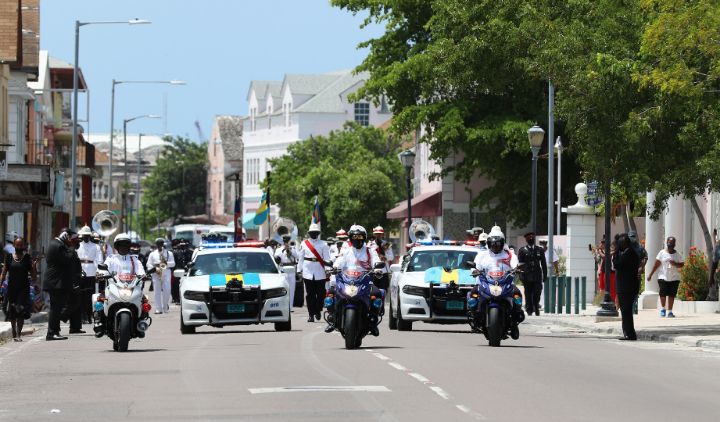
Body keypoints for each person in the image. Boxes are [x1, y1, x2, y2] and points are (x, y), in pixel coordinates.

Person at [328, 225, 383, 335]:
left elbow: (376, 261)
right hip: (347, 281)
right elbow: (339, 261)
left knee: (377, 293)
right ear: (351, 238)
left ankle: (372, 321)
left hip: (365, 281)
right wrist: (334, 267)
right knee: (331, 291)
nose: (357, 240)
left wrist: (377, 269)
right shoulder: (346, 251)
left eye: (359, 238)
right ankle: (332, 318)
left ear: (364, 238)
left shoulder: (370, 251)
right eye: (354, 238)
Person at [472, 226, 523, 339]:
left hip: (505, 282)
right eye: (493, 243)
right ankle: (475, 318)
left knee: (517, 294)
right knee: (473, 295)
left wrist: (516, 268)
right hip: (486, 282)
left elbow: (515, 263)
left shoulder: (508, 254)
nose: (495, 246)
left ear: (502, 243)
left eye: (498, 243)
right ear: (489, 243)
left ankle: (514, 322)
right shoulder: (482, 255)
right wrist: (475, 270)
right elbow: (476, 266)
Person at [42, 228, 78, 341]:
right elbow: (68, 258)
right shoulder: (59, 246)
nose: (71, 241)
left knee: (57, 307)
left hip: (56, 282)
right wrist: (72, 246)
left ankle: (55, 331)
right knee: (56, 308)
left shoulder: (56, 244)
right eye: (70, 239)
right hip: (55, 283)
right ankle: (52, 333)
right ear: (65, 237)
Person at [1, 238, 35, 341]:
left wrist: (34, 267)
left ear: (23, 246)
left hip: (23, 289)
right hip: (12, 289)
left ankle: (19, 334)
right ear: (14, 246)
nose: (19, 247)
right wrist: (1, 283)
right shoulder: (9, 257)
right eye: (17, 245)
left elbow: (34, 277)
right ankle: (14, 332)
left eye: (21, 245)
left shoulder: (27, 258)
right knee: (12, 312)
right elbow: (4, 272)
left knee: (20, 310)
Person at [298, 223, 331, 323]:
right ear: (309, 233)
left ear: (318, 233)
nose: (314, 234)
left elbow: (326, 258)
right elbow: (301, 258)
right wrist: (299, 271)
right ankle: (311, 314)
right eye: (312, 232)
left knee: (321, 294)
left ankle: (318, 310)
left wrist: (327, 270)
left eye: (315, 232)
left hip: (320, 271)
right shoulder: (304, 243)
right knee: (310, 294)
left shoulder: (323, 244)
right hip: (307, 271)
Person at [646, 236, 684, 318]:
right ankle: (663, 309)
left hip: (674, 277)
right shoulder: (662, 253)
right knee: (662, 293)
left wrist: (675, 264)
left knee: (671, 294)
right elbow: (656, 264)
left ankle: (670, 311)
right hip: (663, 276)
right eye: (669, 243)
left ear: (674, 244)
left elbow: (682, 264)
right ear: (666, 243)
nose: (670, 245)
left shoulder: (677, 255)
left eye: (672, 243)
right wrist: (650, 275)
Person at [614, 233, 640, 340]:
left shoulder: (629, 254)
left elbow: (617, 264)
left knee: (626, 311)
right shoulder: (628, 253)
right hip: (626, 287)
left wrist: (616, 252)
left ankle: (629, 333)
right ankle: (628, 332)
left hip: (627, 288)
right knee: (625, 311)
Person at [76, 225, 102, 323]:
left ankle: (89, 315)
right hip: (80, 271)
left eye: (88, 235)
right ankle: (82, 315)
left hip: (91, 271)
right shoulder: (77, 245)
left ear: (90, 236)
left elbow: (99, 260)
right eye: (84, 235)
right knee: (80, 295)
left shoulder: (96, 246)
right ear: (82, 236)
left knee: (90, 295)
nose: (86, 237)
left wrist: (98, 272)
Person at [518, 232, 547, 316]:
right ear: (526, 240)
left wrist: (545, 275)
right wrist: (521, 275)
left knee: (537, 292)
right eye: (529, 239)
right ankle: (529, 309)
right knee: (528, 293)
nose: (531, 240)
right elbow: (520, 264)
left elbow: (543, 263)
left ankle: (536, 306)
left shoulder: (539, 250)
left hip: (537, 275)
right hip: (527, 275)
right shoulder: (522, 250)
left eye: (532, 239)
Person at [146, 238, 175, 314]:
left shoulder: (169, 253)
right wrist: (155, 267)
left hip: (166, 272)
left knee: (167, 290)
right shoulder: (152, 254)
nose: (160, 245)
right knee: (157, 291)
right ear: (156, 245)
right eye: (158, 244)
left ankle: (165, 306)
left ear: (163, 244)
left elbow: (173, 264)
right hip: (156, 273)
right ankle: (158, 308)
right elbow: (148, 264)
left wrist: (165, 263)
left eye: (161, 244)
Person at [275, 235, 299, 310]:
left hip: (291, 270)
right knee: (283, 288)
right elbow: (276, 258)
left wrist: (289, 250)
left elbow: (297, 256)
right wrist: (283, 251)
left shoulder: (293, 249)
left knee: (291, 289)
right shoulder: (279, 249)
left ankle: (290, 307)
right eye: (285, 241)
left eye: (287, 241)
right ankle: (283, 306)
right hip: (283, 269)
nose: (286, 242)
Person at [368, 226, 394, 291]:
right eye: (377, 233)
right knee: (372, 292)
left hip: (384, 271)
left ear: (383, 234)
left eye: (380, 233)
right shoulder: (369, 245)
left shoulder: (386, 244)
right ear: (374, 234)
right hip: (373, 271)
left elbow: (391, 257)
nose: (378, 235)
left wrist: (386, 257)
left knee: (384, 291)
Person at [172, 240, 192, 304]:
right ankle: (176, 298)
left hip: (189, 271)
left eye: (184, 245)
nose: (183, 246)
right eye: (181, 245)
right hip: (179, 270)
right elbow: (174, 263)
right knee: (176, 285)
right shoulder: (175, 252)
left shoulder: (191, 252)